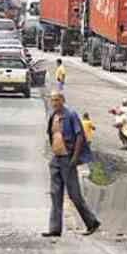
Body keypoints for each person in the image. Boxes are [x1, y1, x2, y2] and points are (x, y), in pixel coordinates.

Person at [42, 92, 101, 237]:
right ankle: (55, 229)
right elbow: (52, 135)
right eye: (52, 100)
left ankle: (92, 222)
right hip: (56, 158)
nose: (54, 103)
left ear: (62, 101)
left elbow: (80, 135)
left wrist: (75, 157)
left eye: (57, 100)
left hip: (68, 158)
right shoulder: (53, 116)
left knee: (74, 195)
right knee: (55, 194)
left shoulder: (71, 115)